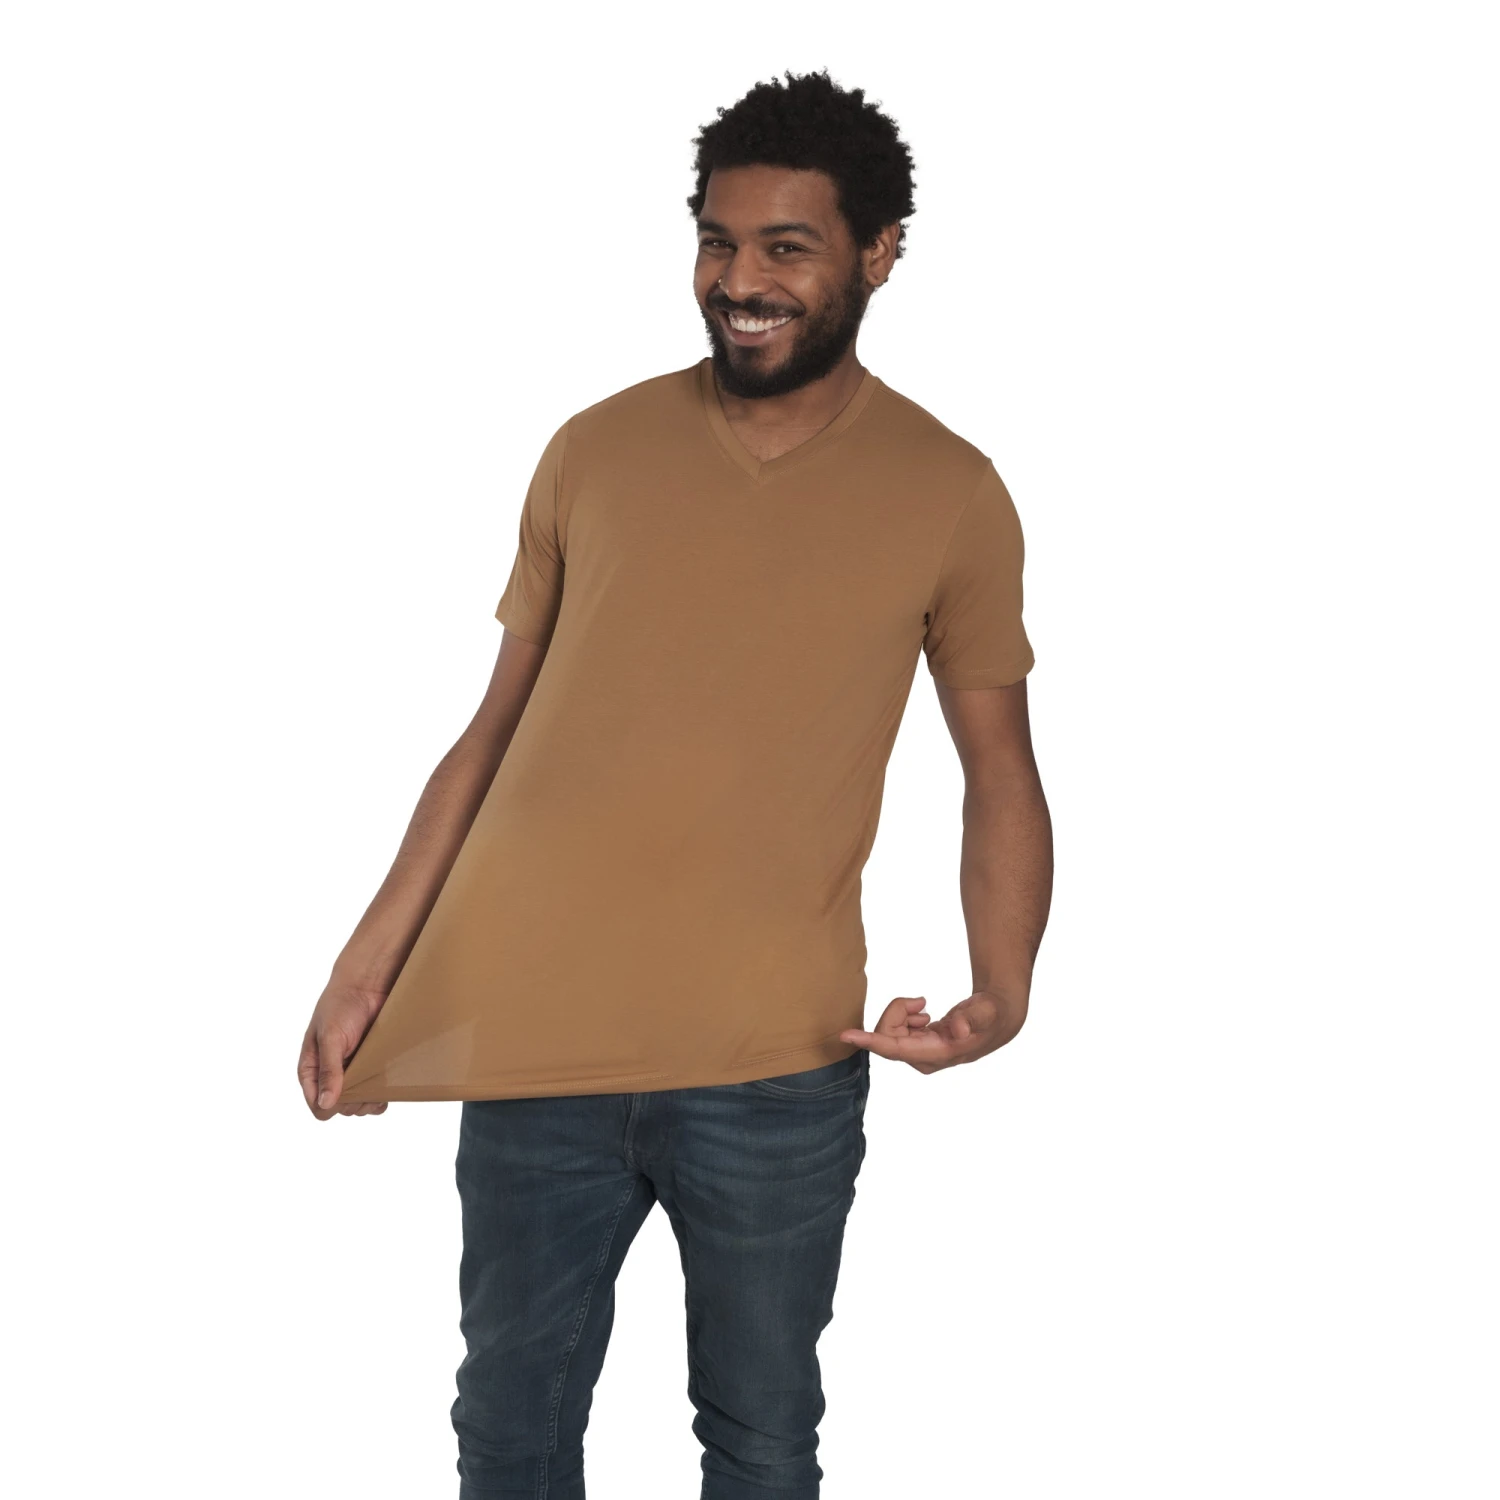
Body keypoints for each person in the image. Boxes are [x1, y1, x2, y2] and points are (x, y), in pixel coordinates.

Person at [298, 68, 1053, 1500]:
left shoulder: (951, 491)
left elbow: (999, 770)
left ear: (880, 252)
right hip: (536, 1047)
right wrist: (364, 965)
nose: (740, 281)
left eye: (787, 247)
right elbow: (494, 732)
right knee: (509, 1436)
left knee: (759, 1443)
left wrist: (1001, 990)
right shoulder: (593, 449)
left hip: (776, 1066)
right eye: (718, 241)